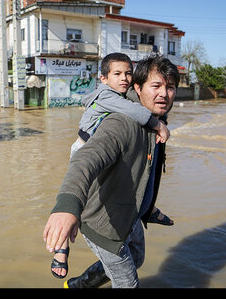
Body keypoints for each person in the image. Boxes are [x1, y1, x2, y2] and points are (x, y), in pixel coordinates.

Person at [43, 54, 179, 288]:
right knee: (127, 283)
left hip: (130, 211)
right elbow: (85, 159)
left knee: (136, 258)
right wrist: (66, 207)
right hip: (102, 220)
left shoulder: (156, 122)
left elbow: (143, 172)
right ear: (137, 88)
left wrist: (148, 208)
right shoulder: (122, 123)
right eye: (156, 86)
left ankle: (77, 286)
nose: (164, 94)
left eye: (170, 87)